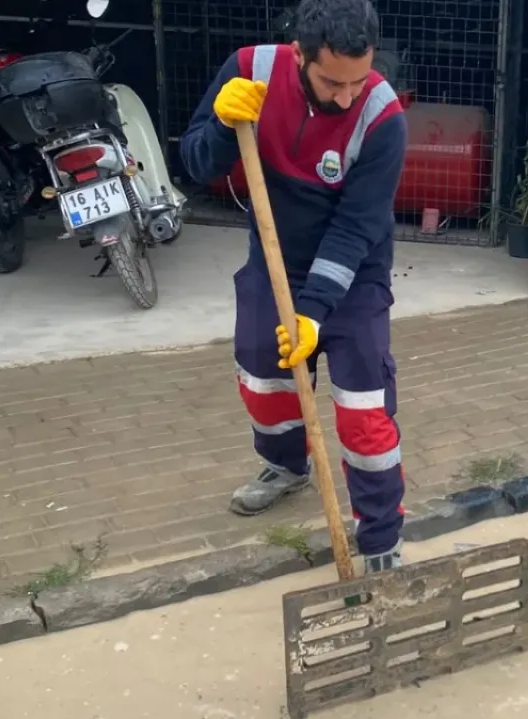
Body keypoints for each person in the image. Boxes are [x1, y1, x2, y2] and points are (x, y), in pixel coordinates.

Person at [179, 0, 407, 573]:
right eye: (333, 81)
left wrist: (311, 313)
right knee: (263, 375)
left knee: (362, 410)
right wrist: (225, 129)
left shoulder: (381, 115)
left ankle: (381, 541)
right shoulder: (249, 70)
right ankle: (286, 466)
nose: (347, 95)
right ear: (300, 54)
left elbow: (357, 228)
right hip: (273, 258)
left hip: (354, 277)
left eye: (359, 78)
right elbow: (194, 162)